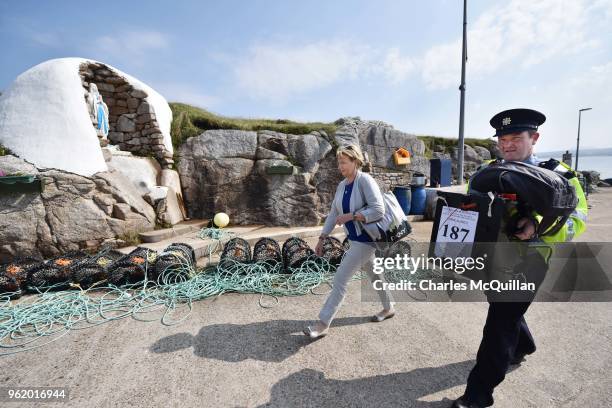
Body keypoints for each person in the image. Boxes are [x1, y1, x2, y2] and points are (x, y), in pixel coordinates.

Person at [452, 108, 588, 407]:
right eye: (503, 139)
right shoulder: (488, 169)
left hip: (530, 260)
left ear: (534, 138)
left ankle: (479, 394)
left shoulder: (559, 174)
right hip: (491, 255)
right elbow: (470, 202)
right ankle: (523, 345)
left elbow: (578, 216)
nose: (508, 144)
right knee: (505, 312)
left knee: (500, 321)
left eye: (516, 138)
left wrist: (539, 226)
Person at [303, 144, 396, 339]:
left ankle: (322, 324)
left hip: (367, 240)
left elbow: (378, 209)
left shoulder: (365, 181)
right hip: (355, 240)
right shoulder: (342, 185)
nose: (340, 166)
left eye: (344, 162)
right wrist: (322, 237)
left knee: (340, 280)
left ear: (355, 161)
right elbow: (334, 214)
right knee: (375, 275)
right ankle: (389, 307)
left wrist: (352, 216)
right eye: (339, 162)